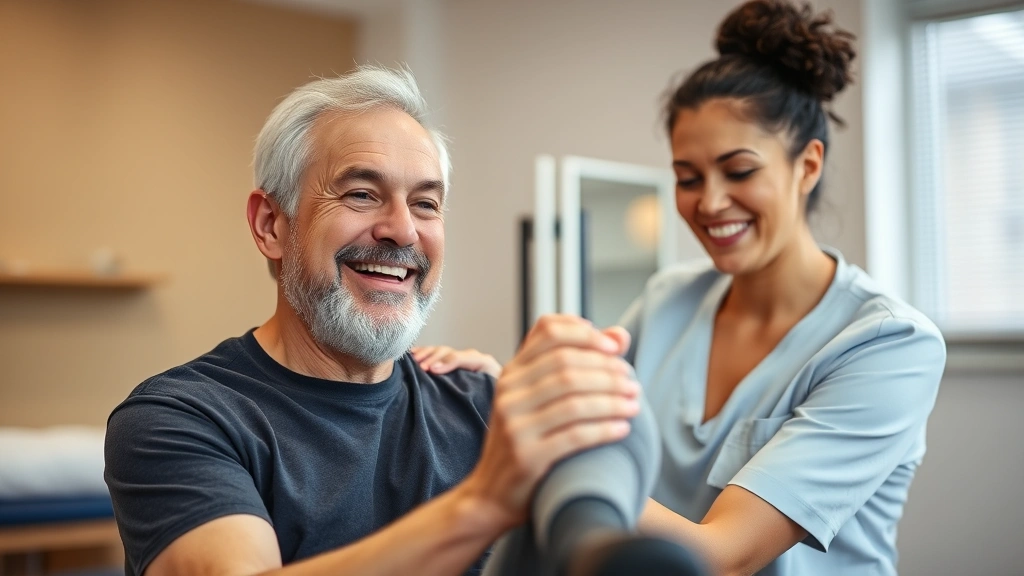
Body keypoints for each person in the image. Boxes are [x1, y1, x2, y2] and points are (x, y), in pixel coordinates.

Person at [414, 1, 947, 575]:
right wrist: (505, 389)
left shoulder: (891, 346)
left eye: (739, 171)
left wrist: (539, 448)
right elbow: (597, 420)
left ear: (807, 166)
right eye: (687, 179)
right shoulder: (670, 298)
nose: (709, 202)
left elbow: (725, 555)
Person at [103, 66, 653, 576]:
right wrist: (483, 502)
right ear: (271, 224)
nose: (402, 231)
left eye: (426, 204)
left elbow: (700, 551)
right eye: (362, 194)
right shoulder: (178, 419)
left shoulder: (484, 404)